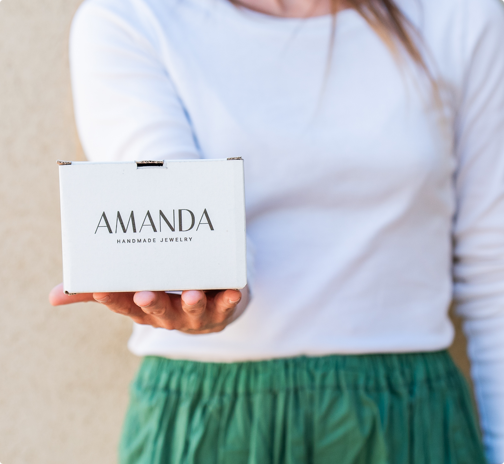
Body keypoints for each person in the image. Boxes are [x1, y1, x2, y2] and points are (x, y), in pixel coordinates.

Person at [49, 0, 504, 461]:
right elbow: (175, 205)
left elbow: (494, 268)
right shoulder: (134, 19)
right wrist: (210, 291)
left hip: (405, 417)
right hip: (208, 419)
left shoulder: (460, 15)